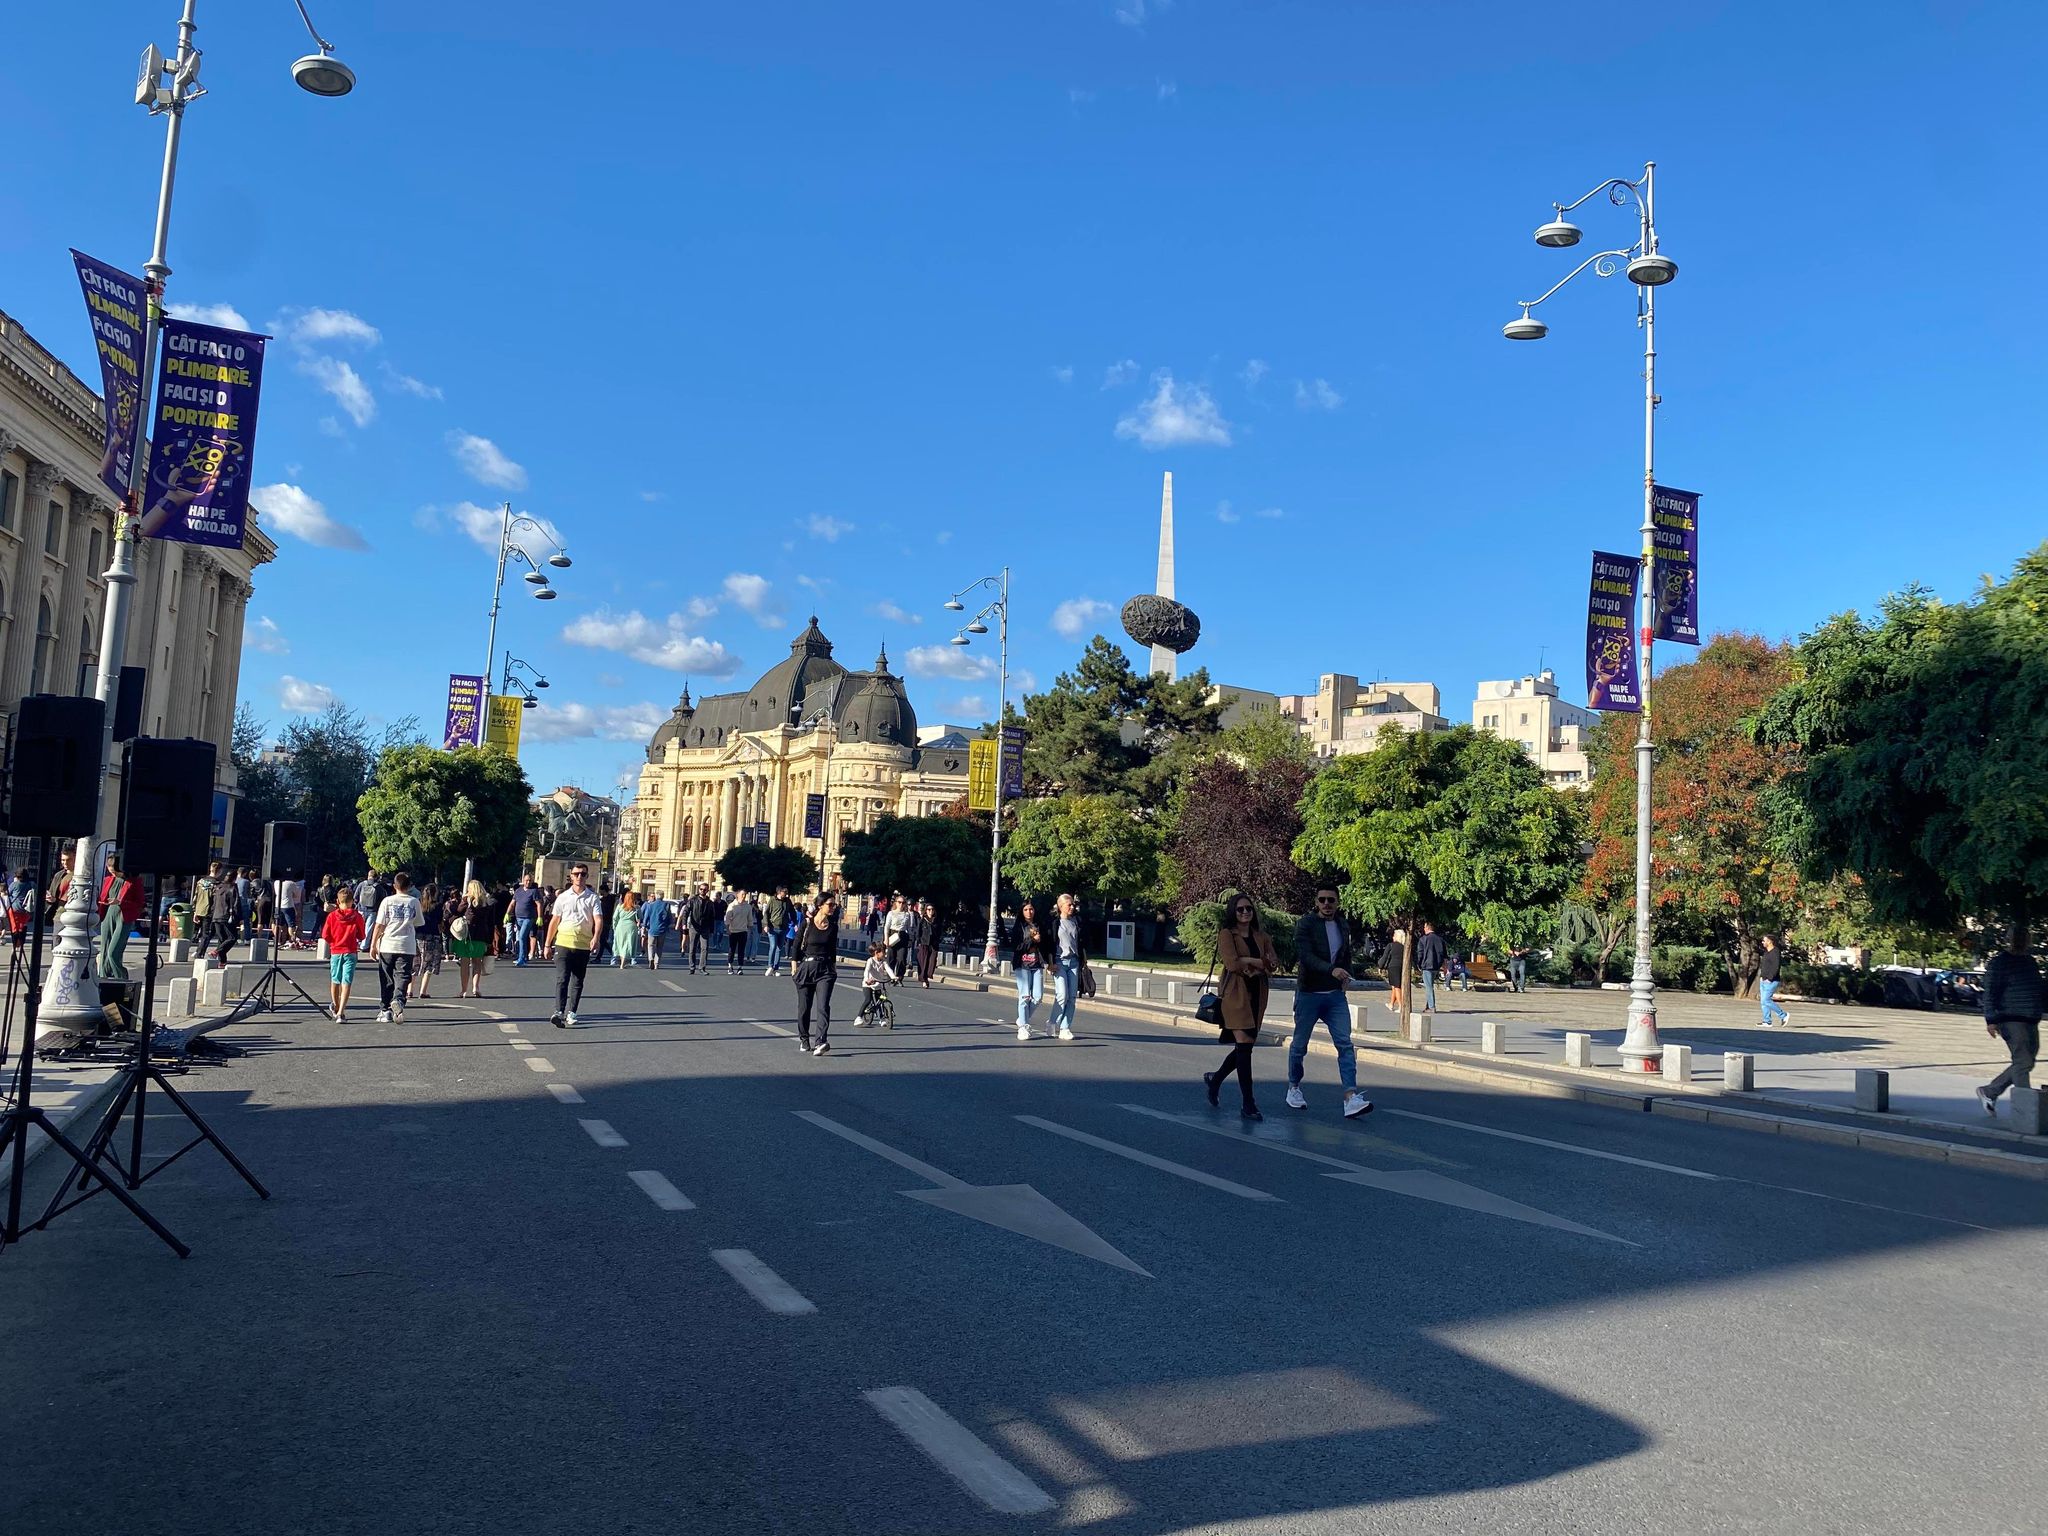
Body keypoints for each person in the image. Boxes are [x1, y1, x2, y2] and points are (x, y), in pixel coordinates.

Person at [1288, 884, 1373, 1119]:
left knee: (1345, 1044)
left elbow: (1345, 955)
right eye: (1322, 900)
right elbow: (1305, 956)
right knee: (1299, 1045)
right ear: (1316, 902)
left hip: (1335, 996)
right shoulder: (1306, 924)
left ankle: (1350, 1097)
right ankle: (1294, 1087)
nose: (1326, 904)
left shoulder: (1342, 924)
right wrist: (1331, 970)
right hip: (1309, 993)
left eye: (1331, 900)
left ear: (1338, 902)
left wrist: (1347, 975)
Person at [1205, 894, 1278, 1121]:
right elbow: (1232, 963)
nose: (1245, 912)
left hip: (1257, 995)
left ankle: (1215, 1079)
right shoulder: (1227, 934)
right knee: (1244, 1047)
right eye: (1240, 909)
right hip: (1236, 994)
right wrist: (1257, 962)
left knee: (1245, 1047)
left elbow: (1273, 964)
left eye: (1248, 908)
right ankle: (1248, 1103)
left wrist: (1258, 963)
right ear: (1233, 912)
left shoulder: (1261, 936)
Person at [1977, 922, 2042, 1115]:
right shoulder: (2000, 963)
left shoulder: (2030, 962)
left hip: (2030, 1018)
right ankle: (2024, 1110)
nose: (2021, 941)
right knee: (2023, 1061)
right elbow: (1990, 993)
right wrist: (1991, 1019)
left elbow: (2038, 989)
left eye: (2024, 938)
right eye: (2018, 938)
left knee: (2026, 1062)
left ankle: (1990, 1091)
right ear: (2009, 939)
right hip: (2010, 1018)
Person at [545, 864, 604, 1028]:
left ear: (587, 877)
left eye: (583, 874)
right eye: (576, 874)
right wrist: (547, 944)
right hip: (563, 942)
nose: (579, 877)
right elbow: (555, 920)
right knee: (562, 978)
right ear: (571, 876)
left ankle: (572, 1012)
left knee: (577, 980)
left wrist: (596, 938)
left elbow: (598, 919)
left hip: (583, 944)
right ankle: (559, 1012)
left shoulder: (592, 898)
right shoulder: (563, 897)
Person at [369, 873, 424, 1025]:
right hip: (406, 944)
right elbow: (418, 922)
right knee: (403, 976)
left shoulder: (387, 901)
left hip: (387, 943)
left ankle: (385, 1009)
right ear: (409, 886)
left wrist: (373, 945)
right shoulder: (414, 902)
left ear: (394, 886)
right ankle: (398, 999)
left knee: (386, 977)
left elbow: (379, 924)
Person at [792, 890, 841, 1056]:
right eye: (830, 904)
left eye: (834, 905)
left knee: (823, 1006)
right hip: (806, 968)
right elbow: (796, 945)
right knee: (804, 1008)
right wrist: (794, 967)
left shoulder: (833, 927)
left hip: (825, 970)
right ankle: (804, 1039)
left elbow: (832, 949)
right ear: (820, 905)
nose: (833, 907)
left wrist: (834, 967)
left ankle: (820, 1041)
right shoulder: (807, 923)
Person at [95, 852, 144, 982]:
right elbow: (102, 897)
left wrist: (121, 902)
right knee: (104, 953)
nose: (114, 874)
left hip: (123, 917)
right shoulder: (108, 880)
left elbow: (139, 904)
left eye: (115, 872)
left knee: (113, 953)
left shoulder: (134, 882)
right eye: (111, 872)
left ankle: (121, 979)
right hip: (108, 915)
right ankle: (103, 979)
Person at [322, 886, 367, 1022]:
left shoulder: (331, 916)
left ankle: (335, 1006)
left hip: (336, 951)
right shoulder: (357, 916)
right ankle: (341, 1012)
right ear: (352, 901)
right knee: (346, 981)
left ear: (337, 901)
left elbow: (325, 934)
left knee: (335, 980)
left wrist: (333, 942)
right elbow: (362, 935)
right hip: (350, 950)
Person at [1047, 891, 1084, 1042]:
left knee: (1072, 997)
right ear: (1060, 906)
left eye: (1073, 905)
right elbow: (1050, 944)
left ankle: (1065, 1028)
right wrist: (1050, 963)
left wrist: (1084, 960)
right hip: (1059, 962)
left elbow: (1081, 942)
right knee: (1062, 995)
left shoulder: (1076, 921)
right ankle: (1052, 1021)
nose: (1072, 907)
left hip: (1074, 962)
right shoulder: (1055, 923)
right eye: (1069, 905)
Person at [1011, 900, 1050, 1041]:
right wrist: (1033, 940)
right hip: (1022, 965)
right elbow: (1017, 947)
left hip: (1037, 964)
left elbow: (1045, 944)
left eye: (1031, 909)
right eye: (1026, 909)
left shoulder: (1039, 925)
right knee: (1025, 997)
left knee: (1037, 997)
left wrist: (1049, 961)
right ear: (1022, 911)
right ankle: (1023, 1027)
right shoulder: (1019, 927)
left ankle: (1022, 1018)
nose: (1029, 912)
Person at [447, 878, 492, 998]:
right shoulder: (486, 902)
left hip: (467, 934)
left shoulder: (467, 900)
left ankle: (464, 990)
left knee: (465, 963)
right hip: (481, 935)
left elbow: (458, 911)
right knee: (477, 962)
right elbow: (490, 921)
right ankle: (475, 987)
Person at [411, 881, 444, 1000]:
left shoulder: (418, 905)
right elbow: (440, 923)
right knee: (429, 964)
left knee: (415, 962)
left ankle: (409, 990)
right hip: (432, 936)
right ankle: (423, 990)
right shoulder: (438, 906)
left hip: (417, 936)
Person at [855, 942, 893, 1028]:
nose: (885, 953)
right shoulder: (870, 961)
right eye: (883, 951)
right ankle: (858, 1017)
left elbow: (888, 969)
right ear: (877, 953)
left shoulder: (883, 962)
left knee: (880, 1000)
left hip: (878, 984)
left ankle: (882, 1019)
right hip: (868, 984)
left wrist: (894, 977)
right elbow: (867, 971)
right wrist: (867, 980)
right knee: (868, 999)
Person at [1414, 921, 1447, 1014]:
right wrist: (1445, 967)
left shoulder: (1423, 939)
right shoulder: (1440, 940)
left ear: (1428, 928)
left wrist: (1419, 964)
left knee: (1428, 987)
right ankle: (1428, 1006)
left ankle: (1432, 1007)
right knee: (1430, 985)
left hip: (1427, 966)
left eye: (1424, 927)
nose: (1424, 929)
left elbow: (1420, 953)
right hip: (1436, 966)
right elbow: (1444, 955)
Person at [1758, 935, 1791, 1027]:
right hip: (1763, 980)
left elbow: (1775, 967)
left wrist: (1770, 978)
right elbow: (1765, 966)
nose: (1762, 942)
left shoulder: (1775, 952)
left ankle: (1783, 1015)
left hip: (1771, 981)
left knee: (1766, 1000)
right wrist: (1762, 977)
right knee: (1763, 1001)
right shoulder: (1766, 952)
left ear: (1770, 941)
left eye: (1764, 941)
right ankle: (1767, 1021)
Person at [683, 884, 716, 974]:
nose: (702, 891)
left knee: (704, 948)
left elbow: (712, 916)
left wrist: (712, 929)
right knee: (692, 948)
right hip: (694, 927)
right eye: (701, 889)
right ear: (699, 890)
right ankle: (692, 967)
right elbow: (686, 912)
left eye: (704, 890)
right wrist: (684, 924)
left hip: (705, 927)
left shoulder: (710, 903)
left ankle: (702, 967)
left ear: (707, 891)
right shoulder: (693, 900)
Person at [509, 875, 542, 966]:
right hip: (518, 917)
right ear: (523, 881)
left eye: (530, 880)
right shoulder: (518, 891)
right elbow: (512, 903)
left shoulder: (534, 891)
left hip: (529, 917)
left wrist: (540, 917)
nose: (528, 882)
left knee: (522, 936)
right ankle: (524, 956)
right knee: (522, 937)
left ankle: (521, 959)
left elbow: (539, 904)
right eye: (527, 880)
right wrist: (507, 914)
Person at [761, 886, 793, 976]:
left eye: (786, 892)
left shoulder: (787, 901)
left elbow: (792, 911)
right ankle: (770, 966)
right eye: (784, 892)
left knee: (779, 948)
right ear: (779, 892)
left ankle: (775, 968)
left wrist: (794, 922)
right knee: (773, 946)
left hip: (783, 928)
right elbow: (766, 913)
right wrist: (766, 924)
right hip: (773, 927)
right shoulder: (772, 900)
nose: (786, 893)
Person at [641, 888, 673, 969]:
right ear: (663, 896)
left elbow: (646, 917)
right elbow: (669, 918)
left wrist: (644, 927)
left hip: (652, 929)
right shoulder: (666, 905)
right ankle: (656, 963)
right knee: (659, 946)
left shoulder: (650, 905)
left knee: (650, 945)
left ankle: (650, 959)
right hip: (662, 929)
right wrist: (668, 925)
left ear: (656, 895)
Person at [726, 890, 756, 973]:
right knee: (732, 949)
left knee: (741, 950)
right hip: (733, 931)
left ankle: (740, 967)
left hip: (743, 931)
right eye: (742, 894)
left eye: (745, 894)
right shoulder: (732, 905)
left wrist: (750, 930)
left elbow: (750, 919)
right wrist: (727, 929)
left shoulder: (748, 906)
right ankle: (730, 965)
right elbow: (727, 918)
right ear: (738, 895)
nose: (744, 896)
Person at [612, 891, 642, 967]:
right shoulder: (636, 908)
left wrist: (615, 927)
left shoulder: (620, 906)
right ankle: (623, 962)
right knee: (628, 944)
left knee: (620, 944)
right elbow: (640, 917)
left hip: (620, 926)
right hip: (631, 927)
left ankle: (621, 961)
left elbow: (615, 918)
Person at [917, 899, 940, 987]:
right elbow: (918, 932)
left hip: (934, 944)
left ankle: (928, 975)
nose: (931, 911)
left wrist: (937, 940)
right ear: (926, 910)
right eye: (929, 909)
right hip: (924, 943)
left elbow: (939, 932)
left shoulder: (936, 921)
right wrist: (919, 942)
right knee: (924, 962)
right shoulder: (923, 920)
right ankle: (924, 979)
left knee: (932, 961)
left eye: (932, 909)